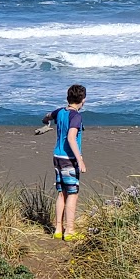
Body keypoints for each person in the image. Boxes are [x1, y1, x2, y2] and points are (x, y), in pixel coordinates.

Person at [39, 84, 87, 240]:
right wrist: (80, 160)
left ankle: (58, 228)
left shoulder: (60, 112)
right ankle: (70, 230)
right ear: (83, 100)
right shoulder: (76, 116)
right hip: (69, 159)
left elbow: (47, 116)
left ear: (68, 98)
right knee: (72, 194)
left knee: (62, 193)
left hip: (57, 157)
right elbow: (72, 138)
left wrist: (46, 120)